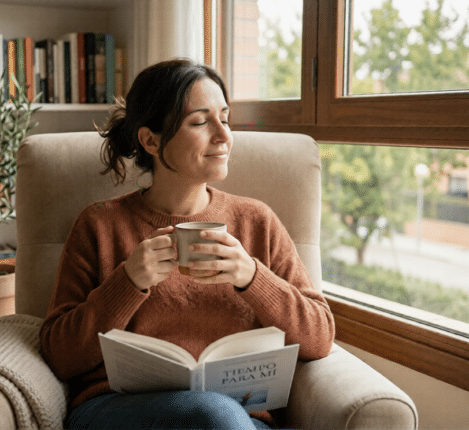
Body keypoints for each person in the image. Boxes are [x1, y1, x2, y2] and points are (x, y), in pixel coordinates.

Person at [40, 58, 335, 429]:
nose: (224, 136)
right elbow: (59, 355)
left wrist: (252, 277)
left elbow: (320, 338)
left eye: (225, 119)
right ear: (150, 140)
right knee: (212, 413)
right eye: (200, 122)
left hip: (240, 417)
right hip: (120, 412)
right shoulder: (99, 225)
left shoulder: (257, 221)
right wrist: (127, 282)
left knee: (218, 415)